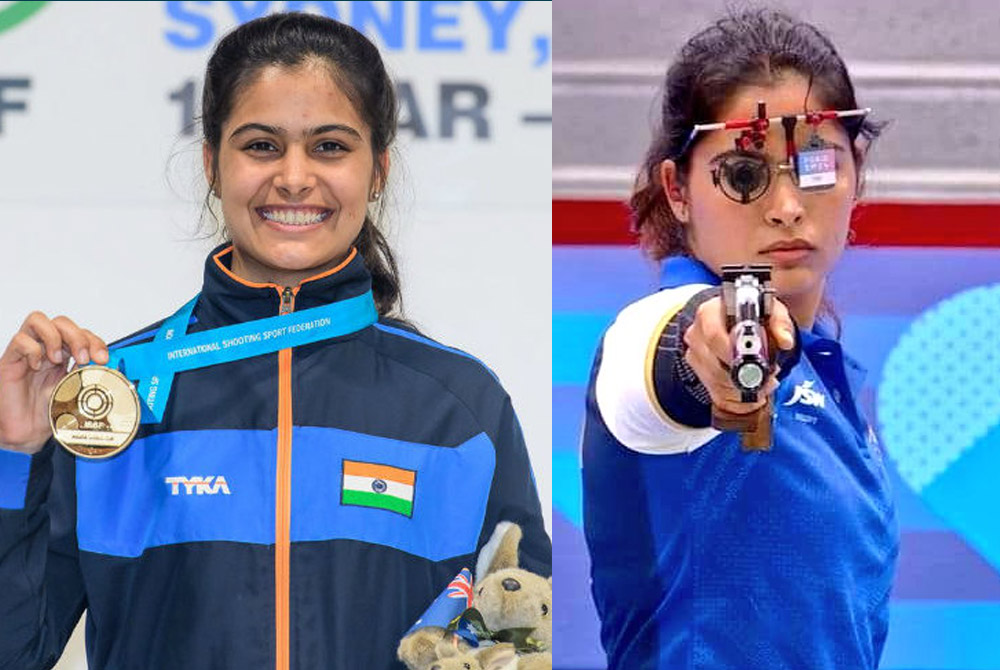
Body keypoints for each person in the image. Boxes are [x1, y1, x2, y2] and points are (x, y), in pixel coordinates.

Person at [0, 13, 549, 670]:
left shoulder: (458, 407)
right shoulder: (110, 404)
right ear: (212, 163)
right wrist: (13, 456)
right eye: (261, 145)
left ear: (377, 170)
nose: (293, 177)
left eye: (330, 147)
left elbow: (524, 631)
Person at [581, 8, 899, 670]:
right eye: (745, 174)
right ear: (678, 190)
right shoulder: (658, 325)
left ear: (857, 172)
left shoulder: (826, 375)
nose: (787, 206)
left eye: (816, 164)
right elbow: (673, 346)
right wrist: (709, 354)